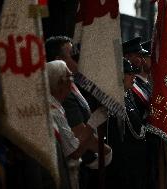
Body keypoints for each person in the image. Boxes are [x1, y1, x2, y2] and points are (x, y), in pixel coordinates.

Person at [45, 36, 112, 189]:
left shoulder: (75, 85)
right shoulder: (61, 95)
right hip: (73, 168)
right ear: (58, 61)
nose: (79, 60)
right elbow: (74, 145)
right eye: (73, 56)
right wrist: (103, 150)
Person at [105, 58, 147, 189]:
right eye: (129, 73)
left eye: (133, 72)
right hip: (122, 169)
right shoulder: (111, 102)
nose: (133, 76)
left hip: (135, 165)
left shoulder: (127, 97)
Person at [122, 37, 152, 118]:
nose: (142, 60)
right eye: (139, 56)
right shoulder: (127, 84)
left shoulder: (136, 83)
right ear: (127, 57)